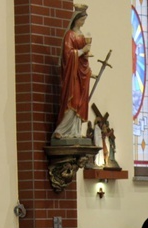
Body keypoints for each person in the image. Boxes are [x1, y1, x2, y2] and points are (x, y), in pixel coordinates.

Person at [52, 4, 92, 140]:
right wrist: (82, 51)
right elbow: (68, 54)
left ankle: (75, 131)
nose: (82, 23)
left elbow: (83, 59)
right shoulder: (70, 35)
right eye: (81, 20)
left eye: (84, 21)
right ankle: (62, 130)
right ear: (75, 20)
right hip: (72, 75)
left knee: (80, 101)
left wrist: (87, 68)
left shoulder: (81, 35)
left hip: (81, 73)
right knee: (72, 99)